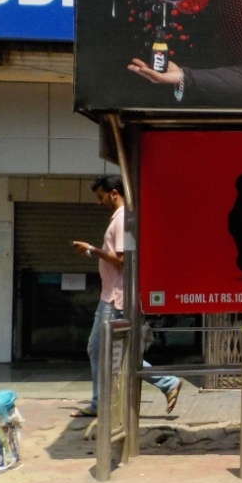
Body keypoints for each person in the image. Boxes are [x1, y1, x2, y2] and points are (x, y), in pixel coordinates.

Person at [70, 175, 182, 418]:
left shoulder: (122, 220)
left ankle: (165, 383)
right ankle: (165, 383)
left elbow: (122, 259)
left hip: (116, 298)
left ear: (113, 193)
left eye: (101, 197)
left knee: (103, 350)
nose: (99, 203)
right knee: (108, 350)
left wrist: (90, 250)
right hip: (112, 295)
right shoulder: (120, 219)